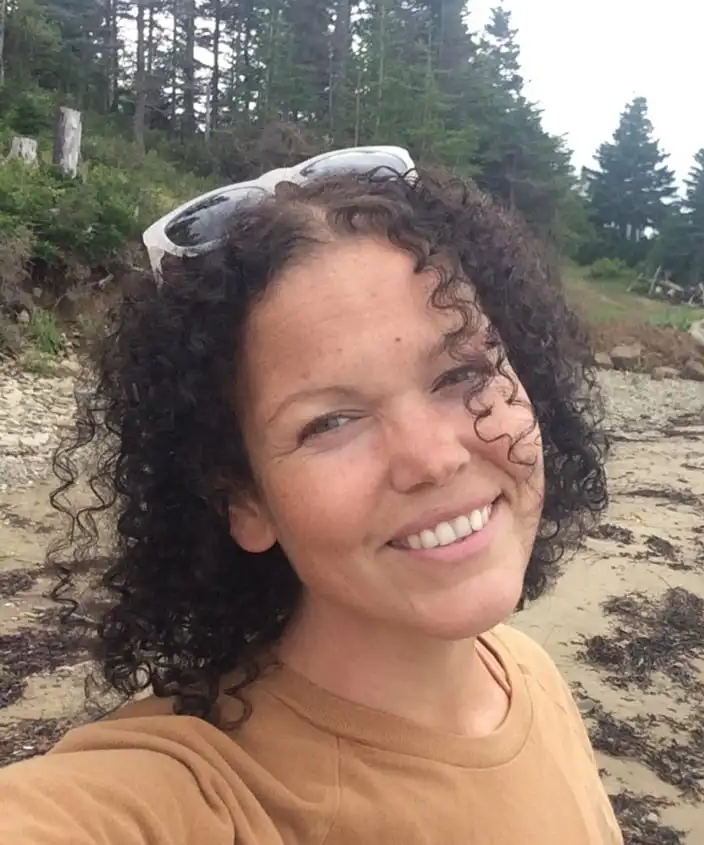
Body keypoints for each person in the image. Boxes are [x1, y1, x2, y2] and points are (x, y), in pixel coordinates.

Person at [0, 147, 619, 844]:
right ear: (244, 499)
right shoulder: (196, 792)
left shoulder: (530, 675)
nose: (433, 458)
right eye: (331, 421)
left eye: (462, 373)